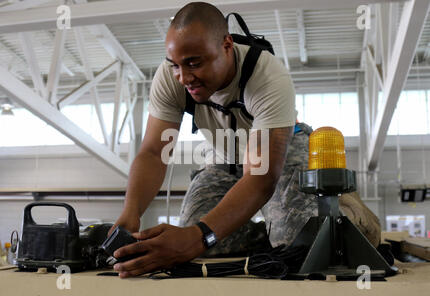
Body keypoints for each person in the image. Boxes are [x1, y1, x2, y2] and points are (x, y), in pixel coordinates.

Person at [110, 2, 381, 278]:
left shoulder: (268, 76)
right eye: (175, 66)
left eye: (194, 63)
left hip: (279, 156)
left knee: (300, 242)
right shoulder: (172, 77)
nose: (184, 77)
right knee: (197, 240)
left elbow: (261, 177)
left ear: (227, 45)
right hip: (224, 157)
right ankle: (271, 229)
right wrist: (130, 213)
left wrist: (199, 235)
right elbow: (155, 152)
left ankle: (333, 219)